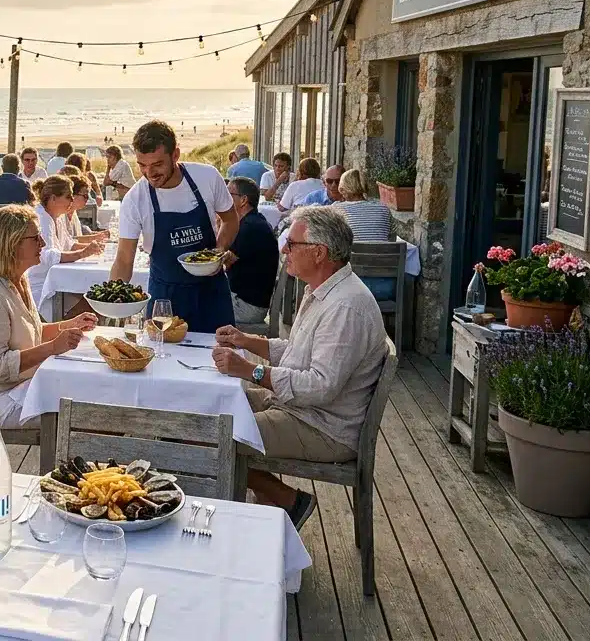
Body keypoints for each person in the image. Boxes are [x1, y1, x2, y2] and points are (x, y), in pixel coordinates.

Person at [211, 207, 387, 529]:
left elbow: (319, 386)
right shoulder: (324, 290)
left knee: (214, 436)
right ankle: (275, 504)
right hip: (301, 410)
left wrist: (251, 371)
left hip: (324, 427)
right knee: (208, 409)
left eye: (291, 244)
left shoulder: (346, 307)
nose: (283, 250)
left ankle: (286, 501)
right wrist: (246, 340)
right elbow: (297, 353)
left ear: (319, 253)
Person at [0, 205, 98, 426]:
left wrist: (69, 324)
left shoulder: (17, 279)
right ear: (12, 244)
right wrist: (52, 347)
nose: (42, 242)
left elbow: (33, 331)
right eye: (35, 238)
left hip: (16, 386)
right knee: (84, 412)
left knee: (86, 386)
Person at [111, 120, 239, 333]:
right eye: (142, 165)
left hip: (212, 291)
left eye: (157, 164)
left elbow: (230, 219)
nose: (149, 173)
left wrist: (218, 251)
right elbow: (124, 260)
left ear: (175, 155)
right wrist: (111, 297)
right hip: (165, 298)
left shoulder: (207, 177)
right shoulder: (135, 199)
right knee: (163, 360)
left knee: (219, 358)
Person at [30, 175, 105, 317]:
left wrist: (92, 247)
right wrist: (83, 253)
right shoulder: (41, 219)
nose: (72, 200)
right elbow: (47, 256)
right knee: (95, 299)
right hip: (42, 286)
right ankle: (65, 329)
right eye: (68, 196)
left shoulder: (56, 217)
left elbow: (68, 244)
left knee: (96, 297)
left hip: (57, 281)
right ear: (53, 198)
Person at [221, 177, 279, 325]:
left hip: (247, 307)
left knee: (195, 306)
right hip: (246, 299)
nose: (224, 198)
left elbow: (221, 265)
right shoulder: (253, 221)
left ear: (243, 200)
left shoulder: (250, 228)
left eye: (228, 194)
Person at [332, 169, 391, 242]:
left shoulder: (336, 209)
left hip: (350, 253)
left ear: (344, 188)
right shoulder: (383, 208)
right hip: (382, 252)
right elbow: (391, 236)